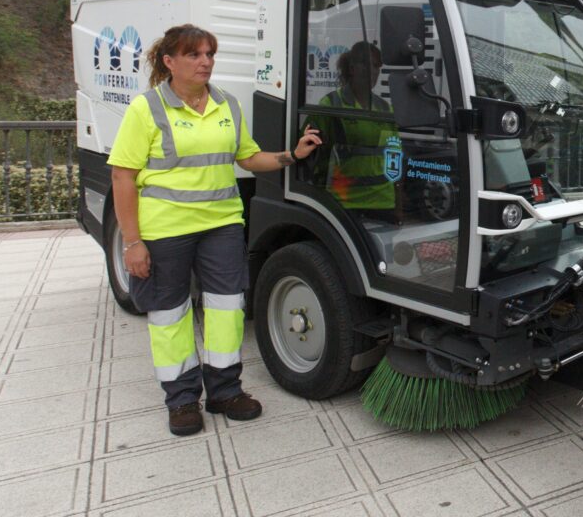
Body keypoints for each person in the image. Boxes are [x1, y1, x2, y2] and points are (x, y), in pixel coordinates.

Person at [109, 24, 321, 436]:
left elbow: (247, 157)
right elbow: (122, 177)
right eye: (194, 55)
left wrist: (290, 155)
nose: (205, 62)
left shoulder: (225, 103)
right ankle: (183, 400)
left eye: (209, 54)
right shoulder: (146, 109)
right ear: (169, 61)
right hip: (166, 229)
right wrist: (132, 243)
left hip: (221, 225)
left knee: (227, 308)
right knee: (170, 313)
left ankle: (225, 391)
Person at [313, 41, 403, 220]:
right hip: (345, 203)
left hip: (383, 202)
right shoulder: (331, 105)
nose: (373, 70)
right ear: (352, 68)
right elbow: (312, 158)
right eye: (367, 64)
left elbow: (395, 157)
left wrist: (399, 205)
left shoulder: (386, 109)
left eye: (377, 66)